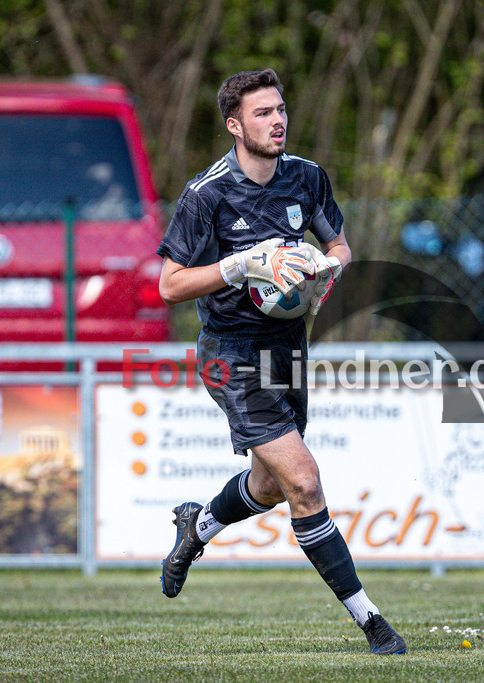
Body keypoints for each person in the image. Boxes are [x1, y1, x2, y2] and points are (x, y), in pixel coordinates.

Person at [154, 68, 406, 655]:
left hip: (289, 348)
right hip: (230, 354)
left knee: (268, 486)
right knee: (305, 482)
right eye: (264, 113)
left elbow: (340, 244)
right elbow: (169, 286)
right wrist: (240, 267)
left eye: (281, 109)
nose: (278, 120)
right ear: (235, 125)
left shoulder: (307, 179)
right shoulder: (206, 194)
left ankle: (198, 527)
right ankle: (374, 624)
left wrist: (328, 268)